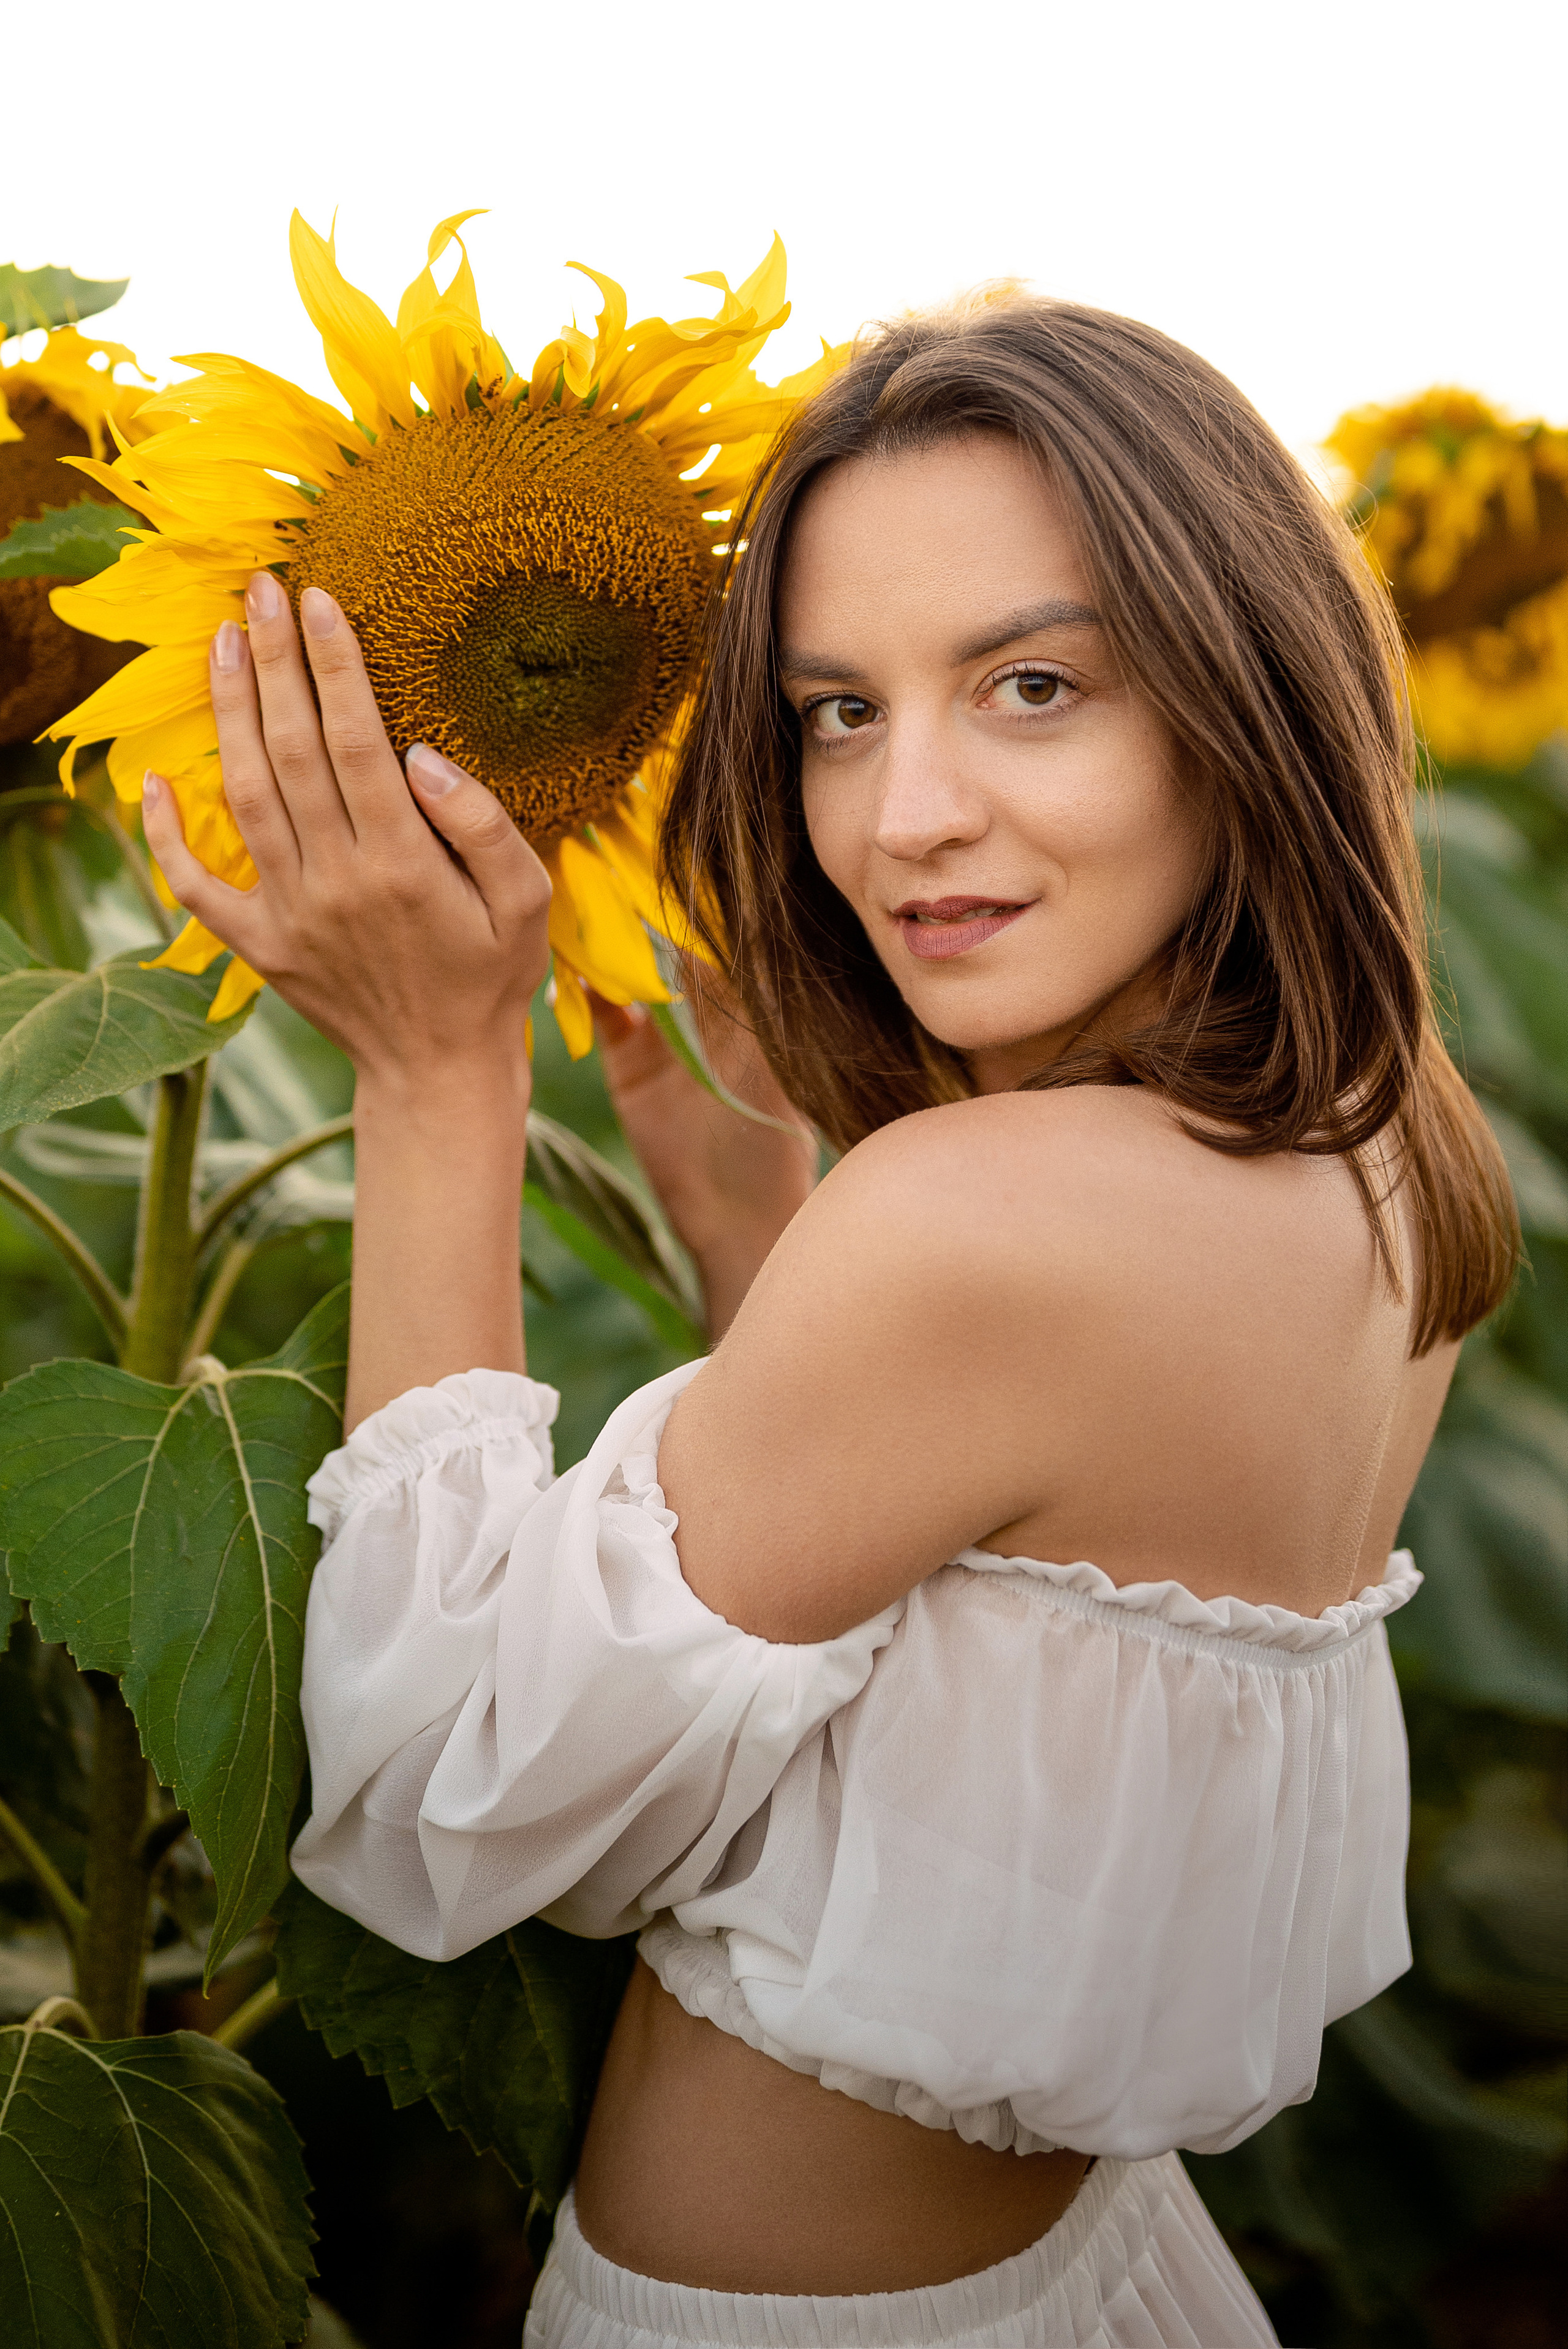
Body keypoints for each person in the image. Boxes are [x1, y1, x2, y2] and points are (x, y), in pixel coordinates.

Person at [141, 292, 1519, 2349]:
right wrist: (750, 1216)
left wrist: (438, 1075)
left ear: (1248, 688)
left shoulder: (980, 1221)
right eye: (838, 712)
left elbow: (435, 1796)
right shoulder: (1388, 1148)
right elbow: (951, 1654)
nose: (902, 816)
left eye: (1032, 685)